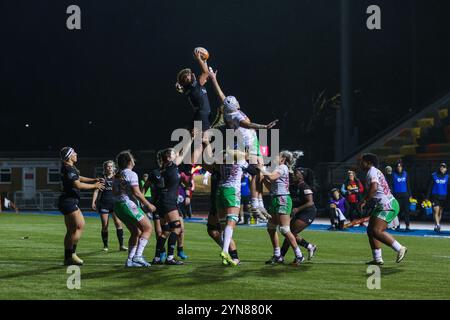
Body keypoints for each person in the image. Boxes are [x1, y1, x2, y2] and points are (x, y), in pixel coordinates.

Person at [208, 69, 278, 220]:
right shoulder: (237, 115)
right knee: (257, 171)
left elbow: (221, 95)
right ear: (236, 105)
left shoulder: (228, 111)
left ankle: (259, 203)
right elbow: (249, 124)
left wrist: (213, 79)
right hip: (249, 144)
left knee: (259, 171)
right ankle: (255, 203)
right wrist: (265, 127)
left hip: (250, 142)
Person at [58, 147, 104, 266]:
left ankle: (69, 256)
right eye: (74, 153)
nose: (76, 154)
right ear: (69, 156)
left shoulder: (70, 168)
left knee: (73, 229)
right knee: (78, 227)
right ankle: (71, 255)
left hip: (68, 201)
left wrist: (93, 179)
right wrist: (94, 186)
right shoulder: (68, 168)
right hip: (68, 201)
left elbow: (79, 178)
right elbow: (77, 184)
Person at [359, 153, 407, 265]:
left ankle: (400, 248)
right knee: (371, 230)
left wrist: (364, 200)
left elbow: (374, 188)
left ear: (369, 162)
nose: (361, 163)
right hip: (383, 205)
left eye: (363, 161)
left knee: (376, 231)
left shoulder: (371, 171)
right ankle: (377, 259)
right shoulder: (375, 171)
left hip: (387, 205)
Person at [151, 144, 193, 266]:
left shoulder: (162, 169)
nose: (176, 155)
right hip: (169, 201)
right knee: (177, 228)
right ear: (169, 158)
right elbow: (183, 152)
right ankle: (170, 258)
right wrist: (190, 139)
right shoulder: (172, 166)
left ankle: (157, 258)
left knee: (166, 231)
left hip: (162, 201)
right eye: (173, 154)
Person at [261, 151, 305, 266]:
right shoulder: (279, 167)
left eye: (278, 155)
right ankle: (277, 255)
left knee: (285, 230)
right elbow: (271, 186)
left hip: (282, 199)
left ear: (283, 159)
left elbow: (272, 177)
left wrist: (261, 169)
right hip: (276, 198)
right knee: (271, 228)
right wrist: (264, 179)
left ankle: (299, 255)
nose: (275, 156)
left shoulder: (282, 167)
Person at [113, 150, 155, 267]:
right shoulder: (131, 174)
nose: (134, 160)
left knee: (135, 232)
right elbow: (136, 193)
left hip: (117, 206)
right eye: (132, 158)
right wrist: (148, 204)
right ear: (129, 161)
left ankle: (130, 260)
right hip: (126, 204)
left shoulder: (117, 174)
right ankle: (138, 256)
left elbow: (115, 191)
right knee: (147, 228)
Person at [278, 167, 318, 263]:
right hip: (299, 212)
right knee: (289, 233)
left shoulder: (304, 187)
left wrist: (297, 209)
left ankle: (282, 256)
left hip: (308, 213)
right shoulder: (294, 185)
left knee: (289, 233)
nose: (293, 175)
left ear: (301, 177)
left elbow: (310, 202)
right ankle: (309, 246)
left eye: (296, 173)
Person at [92, 160, 127, 252]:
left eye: (111, 166)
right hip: (104, 204)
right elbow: (96, 191)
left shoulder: (117, 178)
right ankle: (105, 246)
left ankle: (121, 245)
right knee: (104, 225)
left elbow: (123, 190)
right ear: (105, 168)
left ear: (114, 168)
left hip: (115, 204)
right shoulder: (102, 179)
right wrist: (93, 202)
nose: (110, 168)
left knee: (118, 224)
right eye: (108, 166)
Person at [426, 163, 449, 233]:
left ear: (446, 169)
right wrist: (427, 197)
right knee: (436, 210)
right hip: (435, 196)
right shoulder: (434, 176)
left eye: (444, 167)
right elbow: (430, 187)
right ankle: (438, 225)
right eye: (441, 167)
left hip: (444, 197)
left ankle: (436, 224)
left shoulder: (448, 177)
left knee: (440, 212)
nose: (442, 168)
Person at [392, 161, 411, 231]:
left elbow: (408, 184)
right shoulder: (393, 174)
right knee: (397, 211)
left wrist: (410, 195)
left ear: (402, 167)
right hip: (396, 196)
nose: (399, 168)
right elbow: (392, 185)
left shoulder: (405, 174)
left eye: (400, 166)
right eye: (397, 166)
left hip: (405, 195)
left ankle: (407, 225)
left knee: (407, 211)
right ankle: (397, 225)